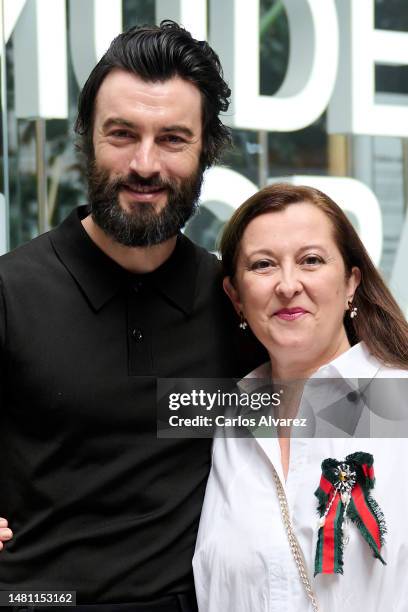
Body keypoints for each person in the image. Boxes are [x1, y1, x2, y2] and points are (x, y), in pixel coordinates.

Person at [0, 21, 264, 611]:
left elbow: (343, 417)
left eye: (172, 138)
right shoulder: (9, 291)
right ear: (88, 139)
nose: (144, 164)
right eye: (122, 134)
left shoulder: (237, 302)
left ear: (206, 151)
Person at [193, 183, 408, 611]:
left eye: (311, 260)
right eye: (263, 265)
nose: (288, 285)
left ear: (351, 282)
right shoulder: (228, 422)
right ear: (235, 296)